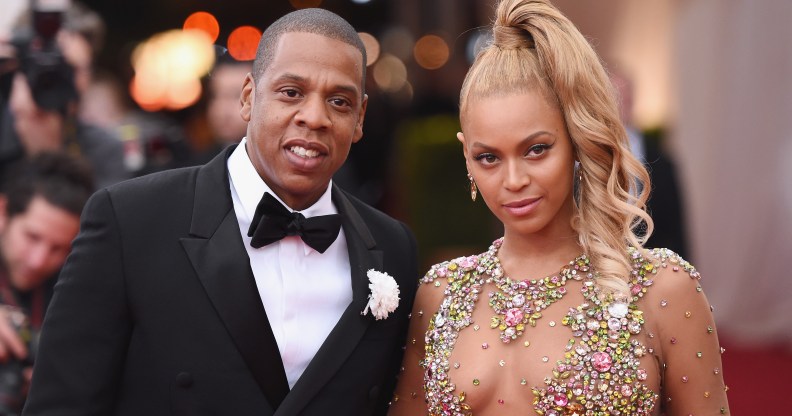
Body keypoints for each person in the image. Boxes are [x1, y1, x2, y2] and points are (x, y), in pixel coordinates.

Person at [23, 8, 418, 416]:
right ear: (248, 97)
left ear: (359, 119)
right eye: (291, 92)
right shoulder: (130, 220)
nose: (314, 118)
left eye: (339, 101)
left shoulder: (393, 248)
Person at [388, 0, 729, 415]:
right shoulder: (439, 293)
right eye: (488, 157)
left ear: (576, 142)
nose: (513, 181)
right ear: (466, 156)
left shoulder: (664, 290)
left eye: (536, 150)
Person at [0, 151, 93, 414]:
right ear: (2, 211)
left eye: (58, 248)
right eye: (32, 237)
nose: (39, 261)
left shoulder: (78, 287)